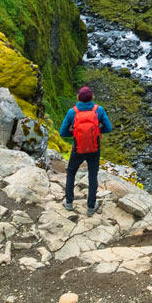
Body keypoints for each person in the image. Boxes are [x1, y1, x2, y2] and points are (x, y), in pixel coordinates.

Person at [59, 86, 112, 214]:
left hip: (78, 148)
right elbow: (108, 128)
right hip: (94, 148)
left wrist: (76, 133)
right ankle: (91, 206)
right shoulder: (98, 110)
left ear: (78, 98)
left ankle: (69, 202)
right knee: (92, 176)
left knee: (71, 173)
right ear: (92, 97)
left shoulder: (72, 112)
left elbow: (62, 132)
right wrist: (97, 131)